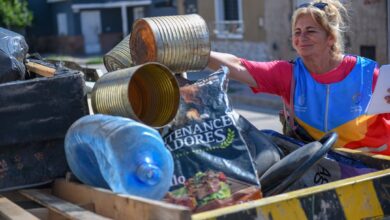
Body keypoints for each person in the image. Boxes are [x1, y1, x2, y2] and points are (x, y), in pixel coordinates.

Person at [207, 0, 390, 155]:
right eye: (297, 31)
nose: (302, 37)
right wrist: (194, 53)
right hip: (326, 173)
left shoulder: (367, 73)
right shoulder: (289, 74)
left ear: (331, 38)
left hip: (375, 172)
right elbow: (238, 65)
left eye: (310, 31)